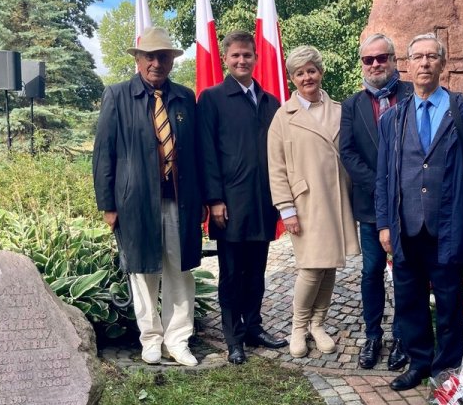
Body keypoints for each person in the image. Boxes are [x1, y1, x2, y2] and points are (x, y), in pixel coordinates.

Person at [375, 33, 463, 391]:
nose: (424, 63)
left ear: (443, 64)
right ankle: (419, 362)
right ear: (406, 65)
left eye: (432, 56)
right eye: (418, 57)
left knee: (448, 298)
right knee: (409, 298)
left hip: (449, 224)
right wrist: (384, 224)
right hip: (406, 225)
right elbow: (382, 176)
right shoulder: (392, 119)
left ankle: (445, 368)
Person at [92, 26, 204, 367]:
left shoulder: (185, 98)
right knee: (143, 273)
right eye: (150, 56)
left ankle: (178, 338)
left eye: (164, 57)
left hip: (179, 200)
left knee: (179, 270)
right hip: (135, 203)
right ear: (139, 60)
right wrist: (108, 205)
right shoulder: (117, 96)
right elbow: (103, 154)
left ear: (172, 61)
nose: (157, 63)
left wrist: (201, 200)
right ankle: (151, 339)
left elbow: (197, 153)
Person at [199, 31, 287, 365]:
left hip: (263, 202)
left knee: (257, 272)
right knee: (231, 274)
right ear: (226, 58)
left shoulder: (270, 102)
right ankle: (233, 338)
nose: (241, 60)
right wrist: (215, 199)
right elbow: (207, 153)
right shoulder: (212, 99)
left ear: (256, 58)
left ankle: (253, 326)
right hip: (230, 205)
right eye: (235, 55)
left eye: (247, 55)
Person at [268, 45, 360, 358]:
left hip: (336, 198)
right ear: (292, 78)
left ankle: (317, 324)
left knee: (330, 265)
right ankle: (298, 327)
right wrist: (286, 208)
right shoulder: (284, 116)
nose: (307, 77)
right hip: (305, 203)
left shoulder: (339, 110)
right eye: (299, 72)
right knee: (310, 268)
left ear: (320, 72)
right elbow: (276, 166)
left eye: (311, 70)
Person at [340, 33, 412, 371]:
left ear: (394, 60)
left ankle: (402, 335)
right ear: (362, 65)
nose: (375, 65)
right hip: (370, 206)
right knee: (371, 271)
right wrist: (381, 185)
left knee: (405, 271)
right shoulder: (352, 105)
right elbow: (348, 153)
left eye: (381, 58)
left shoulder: (414, 94)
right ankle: (373, 335)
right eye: (368, 60)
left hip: (412, 205)